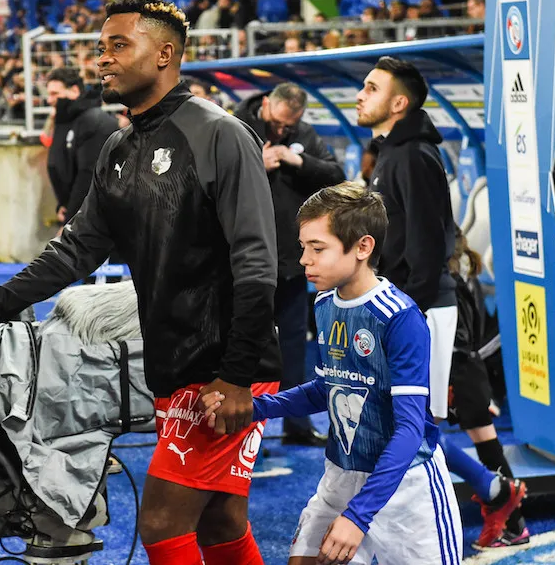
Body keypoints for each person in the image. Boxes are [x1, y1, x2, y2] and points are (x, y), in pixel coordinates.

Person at [0, 0, 281, 565]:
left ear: (165, 54)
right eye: (101, 47)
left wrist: (238, 376)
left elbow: (256, 263)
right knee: (221, 522)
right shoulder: (119, 148)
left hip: (221, 369)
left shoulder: (220, 135)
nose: (103, 59)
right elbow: (76, 249)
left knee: (162, 523)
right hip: (171, 367)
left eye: (119, 45)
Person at [203, 182, 462, 565]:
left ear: (363, 247)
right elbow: (327, 388)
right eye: (303, 247)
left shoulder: (400, 318)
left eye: (317, 248)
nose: (304, 260)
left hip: (405, 485)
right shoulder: (325, 303)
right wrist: (254, 408)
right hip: (341, 474)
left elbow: (410, 429)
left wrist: (358, 516)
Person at [358, 56, 525, 547]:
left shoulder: (413, 156)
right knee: (407, 423)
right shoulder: (394, 153)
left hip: (421, 308)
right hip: (407, 304)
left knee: (413, 425)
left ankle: (482, 508)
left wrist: (403, 313)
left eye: (372, 88)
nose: (361, 95)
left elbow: (429, 247)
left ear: (399, 103)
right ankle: (496, 492)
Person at [234, 82, 344, 446]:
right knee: (244, 343)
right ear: (266, 104)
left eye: (289, 126)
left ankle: (296, 426)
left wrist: (300, 161)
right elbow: (214, 182)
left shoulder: (304, 135)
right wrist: (257, 165)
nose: (282, 130)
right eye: (278, 123)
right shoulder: (236, 128)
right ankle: (239, 425)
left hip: (292, 263)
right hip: (247, 264)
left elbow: (336, 174)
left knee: (294, 346)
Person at [446, 227, 529, 548]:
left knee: (487, 447)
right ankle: (512, 522)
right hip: (467, 370)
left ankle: (513, 524)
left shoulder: (450, 283)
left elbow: (460, 338)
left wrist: (452, 381)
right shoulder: (462, 275)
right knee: (486, 446)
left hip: (461, 372)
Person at [44, 67, 119, 227]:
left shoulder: (94, 121)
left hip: (97, 222)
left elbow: (88, 178)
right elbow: (60, 164)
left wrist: (71, 222)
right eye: (49, 94)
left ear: (74, 91)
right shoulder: (66, 119)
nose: (49, 100)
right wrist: (63, 205)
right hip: (77, 216)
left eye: (55, 94)